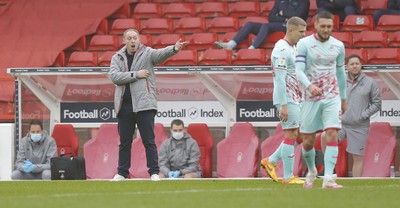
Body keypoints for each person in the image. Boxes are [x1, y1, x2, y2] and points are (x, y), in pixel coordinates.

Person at [108, 29, 187, 181]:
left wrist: (174, 49)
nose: (132, 41)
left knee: (148, 140)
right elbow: (114, 77)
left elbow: (160, 54)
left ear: (139, 40)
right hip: (124, 106)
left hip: (145, 104)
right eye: (129, 38)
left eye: (135, 38)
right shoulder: (117, 57)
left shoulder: (147, 53)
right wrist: (136, 74)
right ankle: (122, 173)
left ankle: (154, 172)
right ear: (124, 41)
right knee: (124, 142)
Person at [295, 11, 347, 189]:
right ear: (315, 25)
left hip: (332, 96)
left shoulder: (339, 45)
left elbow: (340, 72)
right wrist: (309, 86)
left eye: (329, 26)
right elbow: (299, 70)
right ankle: (311, 171)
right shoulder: (304, 44)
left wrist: (344, 97)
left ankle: (329, 178)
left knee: (332, 133)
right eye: (323, 26)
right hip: (311, 98)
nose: (326, 29)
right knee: (308, 141)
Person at [260, 17, 307, 185]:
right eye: (301, 31)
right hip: (287, 98)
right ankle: (288, 177)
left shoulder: (292, 48)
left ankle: (271, 161)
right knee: (291, 134)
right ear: (291, 30)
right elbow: (279, 79)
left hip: (296, 97)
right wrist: (283, 104)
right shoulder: (281, 48)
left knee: (300, 135)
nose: (304, 35)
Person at [320, 54, 381, 177]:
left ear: (360, 65)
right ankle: (330, 167)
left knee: (357, 158)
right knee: (324, 136)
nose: (354, 66)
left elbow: (377, 103)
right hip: (341, 124)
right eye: (352, 64)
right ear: (347, 66)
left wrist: (363, 115)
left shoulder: (370, 82)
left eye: (357, 64)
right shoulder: (339, 81)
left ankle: (356, 185)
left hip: (360, 126)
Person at [214, 0, 309, 50]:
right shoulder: (280, 1)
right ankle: (230, 45)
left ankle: (252, 49)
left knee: (266, 26)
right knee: (250, 24)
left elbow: (297, 16)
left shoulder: (304, 1)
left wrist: (282, 13)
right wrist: (285, 17)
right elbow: (271, 16)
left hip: (293, 26)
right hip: (278, 23)